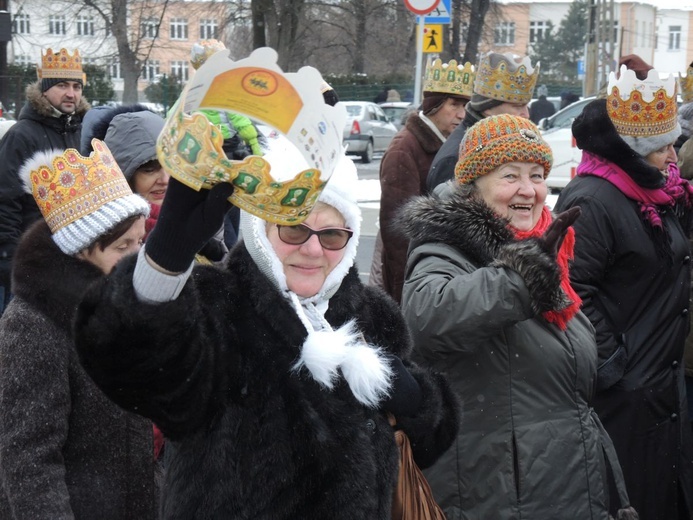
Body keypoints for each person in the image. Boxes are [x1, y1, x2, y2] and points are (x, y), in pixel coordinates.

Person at [71, 140, 459, 515]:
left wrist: (416, 400)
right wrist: (164, 262)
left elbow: (426, 445)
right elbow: (131, 367)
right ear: (260, 232)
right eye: (292, 228)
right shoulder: (217, 306)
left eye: (332, 235)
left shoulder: (371, 316)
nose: (312, 249)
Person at [397, 114, 637, 519]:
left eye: (538, 175)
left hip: (559, 483)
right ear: (473, 187)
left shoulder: (540, 249)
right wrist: (520, 280)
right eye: (510, 176)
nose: (529, 190)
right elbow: (426, 316)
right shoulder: (447, 248)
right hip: (496, 493)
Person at [555, 64, 693, 518]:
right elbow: (570, 291)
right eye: (663, 148)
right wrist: (617, 366)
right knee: (629, 498)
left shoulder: (656, 193)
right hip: (623, 392)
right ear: (633, 152)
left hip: (658, 381)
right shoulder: (593, 199)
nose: (673, 157)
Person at [0, 140, 158, 518]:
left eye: (140, 241)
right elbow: (29, 458)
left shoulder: (123, 305)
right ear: (79, 251)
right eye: (122, 247)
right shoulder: (33, 326)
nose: (137, 258)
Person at [0, 47, 90, 315]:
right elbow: (5, 204)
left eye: (76, 86)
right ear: (44, 89)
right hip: (30, 267)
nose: (71, 93)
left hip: (73, 266)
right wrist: (14, 268)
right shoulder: (21, 136)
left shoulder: (83, 133)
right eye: (62, 85)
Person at [378, 58, 473, 303]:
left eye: (465, 105)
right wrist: (405, 293)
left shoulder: (448, 144)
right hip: (414, 283)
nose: (461, 114)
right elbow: (398, 236)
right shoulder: (404, 150)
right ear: (433, 105)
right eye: (453, 104)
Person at [426, 51, 539, 193]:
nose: (526, 114)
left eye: (526, 106)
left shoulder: (491, 142)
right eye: (517, 106)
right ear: (488, 108)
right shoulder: (456, 157)